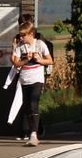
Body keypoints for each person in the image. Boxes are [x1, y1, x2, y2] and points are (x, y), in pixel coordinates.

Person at [11, 14, 53, 145]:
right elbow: (15, 63)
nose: (21, 38)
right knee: (27, 106)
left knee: (33, 103)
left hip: (37, 78)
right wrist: (26, 60)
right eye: (20, 35)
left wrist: (39, 60)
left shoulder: (40, 43)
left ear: (31, 33)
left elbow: (50, 60)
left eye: (24, 35)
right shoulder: (19, 46)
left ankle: (33, 134)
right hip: (24, 79)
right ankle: (32, 130)